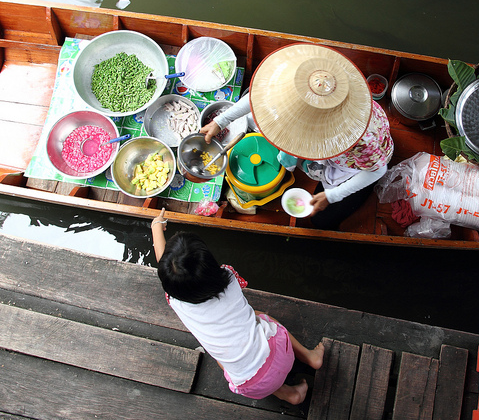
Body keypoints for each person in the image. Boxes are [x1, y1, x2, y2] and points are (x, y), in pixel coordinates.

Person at [201, 43, 394, 230]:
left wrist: (333, 195)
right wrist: (220, 121)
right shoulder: (300, 78)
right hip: (341, 151)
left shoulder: (360, 138)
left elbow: (378, 170)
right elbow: (258, 96)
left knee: (321, 220)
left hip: (360, 162)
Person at [151, 208, 324, 404]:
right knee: (261, 317)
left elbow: (162, 262)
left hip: (251, 384)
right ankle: (309, 357)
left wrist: (156, 228)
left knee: (223, 358)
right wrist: (158, 226)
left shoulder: (176, 301)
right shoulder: (229, 277)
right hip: (281, 353)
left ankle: (291, 395)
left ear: (169, 284)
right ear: (209, 263)